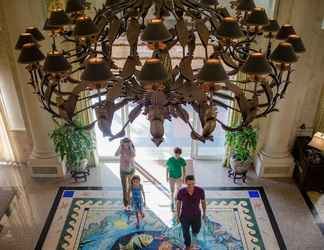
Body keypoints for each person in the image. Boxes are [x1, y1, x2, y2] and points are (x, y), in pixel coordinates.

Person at [176, 175, 206, 250]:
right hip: (185, 216)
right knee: (185, 232)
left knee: (196, 230)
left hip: (196, 215)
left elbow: (203, 202)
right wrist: (177, 215)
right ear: (185, 183)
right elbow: (178, 203)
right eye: (189, 184)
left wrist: (204, 213)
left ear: (194, 182)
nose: (191, 186)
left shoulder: (200, 191)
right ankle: (188, 245)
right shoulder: (181, 191)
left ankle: (194, 234)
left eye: (193, 184)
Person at [115, 137, 136, 209]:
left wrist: (130, 146)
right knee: (124, 187)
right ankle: (125, 202)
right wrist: (120, 146)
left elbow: (133, 155)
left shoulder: (131, 148)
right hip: (123, 171)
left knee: (131, 185)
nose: (126, 145)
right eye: (125, 143)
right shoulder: (121, 148)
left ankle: (130, 199)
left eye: (127, 143)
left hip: (131, 170)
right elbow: (116, 154)